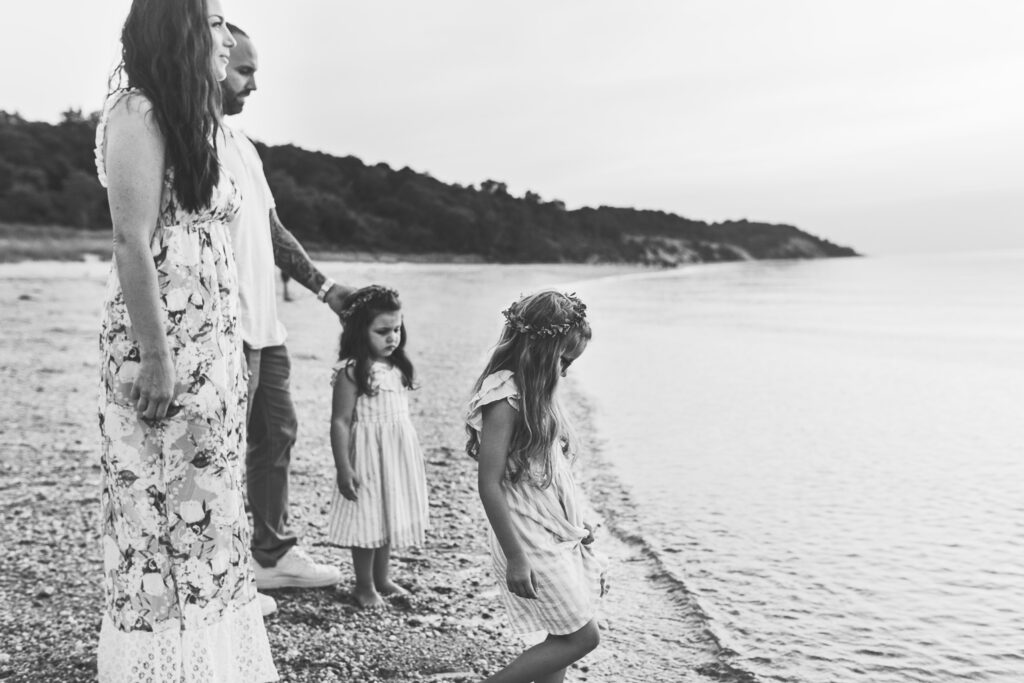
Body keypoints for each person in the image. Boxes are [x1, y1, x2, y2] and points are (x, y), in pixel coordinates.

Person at [95, 0, 277, 680]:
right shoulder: (136, 112)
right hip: (164, 346)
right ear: (178, 32)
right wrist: (157, 358)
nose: (225, 37)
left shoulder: (197, 122)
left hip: (213, 349)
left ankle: (210, 661)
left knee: (212, 508)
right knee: (161, 512)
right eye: (213, 22)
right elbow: (131, 241)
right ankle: (163, 665)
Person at [220, 23, 351, 593]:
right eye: (244, 70)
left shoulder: (243, 146)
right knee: (217, 450)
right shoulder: (181, 139)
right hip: (220, 329)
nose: (253, 85)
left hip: (265, 330)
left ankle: (270, 553)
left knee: (276, 435)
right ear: (212, 61)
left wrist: (325, 289)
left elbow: (272, 230)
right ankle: (220, 571)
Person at [466, 290, 608, 683]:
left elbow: (551, 476)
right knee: (582, 637)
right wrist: (515, 557)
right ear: (538, 348)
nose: (564, 372)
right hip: (526, 538)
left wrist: (576, 526)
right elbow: (488, 483)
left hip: (550, 531)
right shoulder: (505, 399)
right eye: (563, 360)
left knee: (561, 632)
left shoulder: (534, 393)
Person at [326, 286, 429, 608]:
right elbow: (340, 421)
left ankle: (383, 578)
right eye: (382, 331)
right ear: (361, 332)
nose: (392, 337)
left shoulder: (397, 367)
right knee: (368, 519)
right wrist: (344, 467)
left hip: (395, 456)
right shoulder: (352, 370)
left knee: (387, 514)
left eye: (397, 329)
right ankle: (364, 585)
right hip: (367, 457)